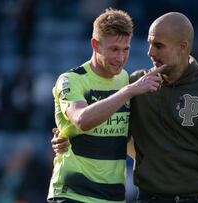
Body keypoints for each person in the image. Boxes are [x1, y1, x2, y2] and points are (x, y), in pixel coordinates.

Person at [52, 12, 198, 203]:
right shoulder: (136, 84)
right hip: (143, 197)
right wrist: (65, 135)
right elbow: (99, 123)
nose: (150, 52)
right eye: (149, 44)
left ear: (182, 47)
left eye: (158, 46)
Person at [47, 8, 165, 203]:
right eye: (114, 50)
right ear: (95, 44)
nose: (120, 58)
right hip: (73, 193)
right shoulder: (71, 80)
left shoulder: (127, 80)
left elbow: (124, 138)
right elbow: (82, 120)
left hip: (112, 197)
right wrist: (128, 91)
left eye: (125, 49)